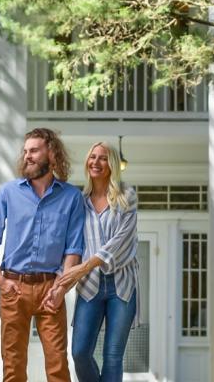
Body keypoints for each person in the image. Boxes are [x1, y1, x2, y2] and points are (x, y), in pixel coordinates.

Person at [0, 128, 87, 382]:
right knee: (13, 366)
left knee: (58, 365)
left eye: (34, 150)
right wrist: (0, 281)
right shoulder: (8, 192)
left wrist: (61, 288)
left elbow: (74, 249)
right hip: (14, 287)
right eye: (25, 151)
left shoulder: (71, 197)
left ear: (51, 153)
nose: (27, 156)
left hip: (52, 287)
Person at [49, 142, 139, 382]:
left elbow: (121, 241)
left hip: (122, 287)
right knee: (79, 352)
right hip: (89, 287)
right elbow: (73, 244)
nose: (95, 162)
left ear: (111, 165)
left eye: (102, 158)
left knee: (112, 356)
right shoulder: (80, 201)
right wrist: (62, 282)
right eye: (92, 157)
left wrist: (85, 266)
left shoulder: (126, 196)